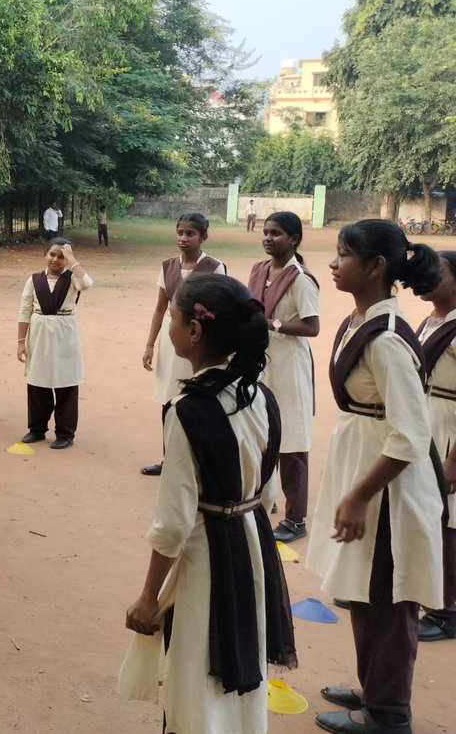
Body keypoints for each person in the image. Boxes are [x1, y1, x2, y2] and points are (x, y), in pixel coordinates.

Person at [121, 274, 296, 734]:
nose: (170, 326)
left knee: (195, 663)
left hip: (205, 556)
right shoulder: (261, 396)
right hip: (253, 544)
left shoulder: (187, 410)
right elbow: (269, 493)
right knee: (240, 650)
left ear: (194, 332)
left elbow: (175, 522)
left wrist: (148, 597)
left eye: (174, 317)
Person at [306, 220, 445, 734]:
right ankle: (374, 687)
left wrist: (360, 495)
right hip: (365, 465)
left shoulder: (386, 339)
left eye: (344, 255)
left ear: (376, 266)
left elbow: (409, 434)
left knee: (387, 595)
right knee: (365, 589)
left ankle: (389, 715)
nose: (334, 263)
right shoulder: (361, 320)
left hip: (388, 487)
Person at [248, 211, 320, 544]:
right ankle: (264, 498)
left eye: (275, 233)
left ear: (293, 239)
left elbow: (312, 326)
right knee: (260, 432)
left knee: (291, 439)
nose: (267, 238)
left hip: (289, 364)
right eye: (265, 232)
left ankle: (296, 519)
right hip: (261, 360)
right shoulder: (259, 269)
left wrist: (272, 324)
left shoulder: (301, 279)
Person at [140, 213, 227, 475]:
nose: (183, 238)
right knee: (170, 400)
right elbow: (159, 308)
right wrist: (150, 344)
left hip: (200, 344)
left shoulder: (214, 268)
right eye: (180, 233)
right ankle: (170, 460)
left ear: (204, 237)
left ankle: (199, 464)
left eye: (190, 234)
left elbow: (218, 311)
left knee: (198, 400)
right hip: (171, 342)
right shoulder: (167, 266)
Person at [415, 249, 456, 643]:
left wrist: (454, 460)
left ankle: (447, 611)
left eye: (438, 273)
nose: (428, 277)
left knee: (448, 522)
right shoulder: (432, 320)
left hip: (449, 426)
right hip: (428, 416)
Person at [18, 239, 92, 448]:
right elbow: (24, 311)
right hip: (39, 334)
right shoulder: (34, 280)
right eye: (52, 254)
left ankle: (65, 433)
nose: (55, 259)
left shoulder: (72, 280)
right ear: (45, 255)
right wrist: (21, 342)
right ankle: (37, 429)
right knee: (37, 382)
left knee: (65, 383)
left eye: (61, 256)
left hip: (64, 334)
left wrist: (72, 259)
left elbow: (87, 284)